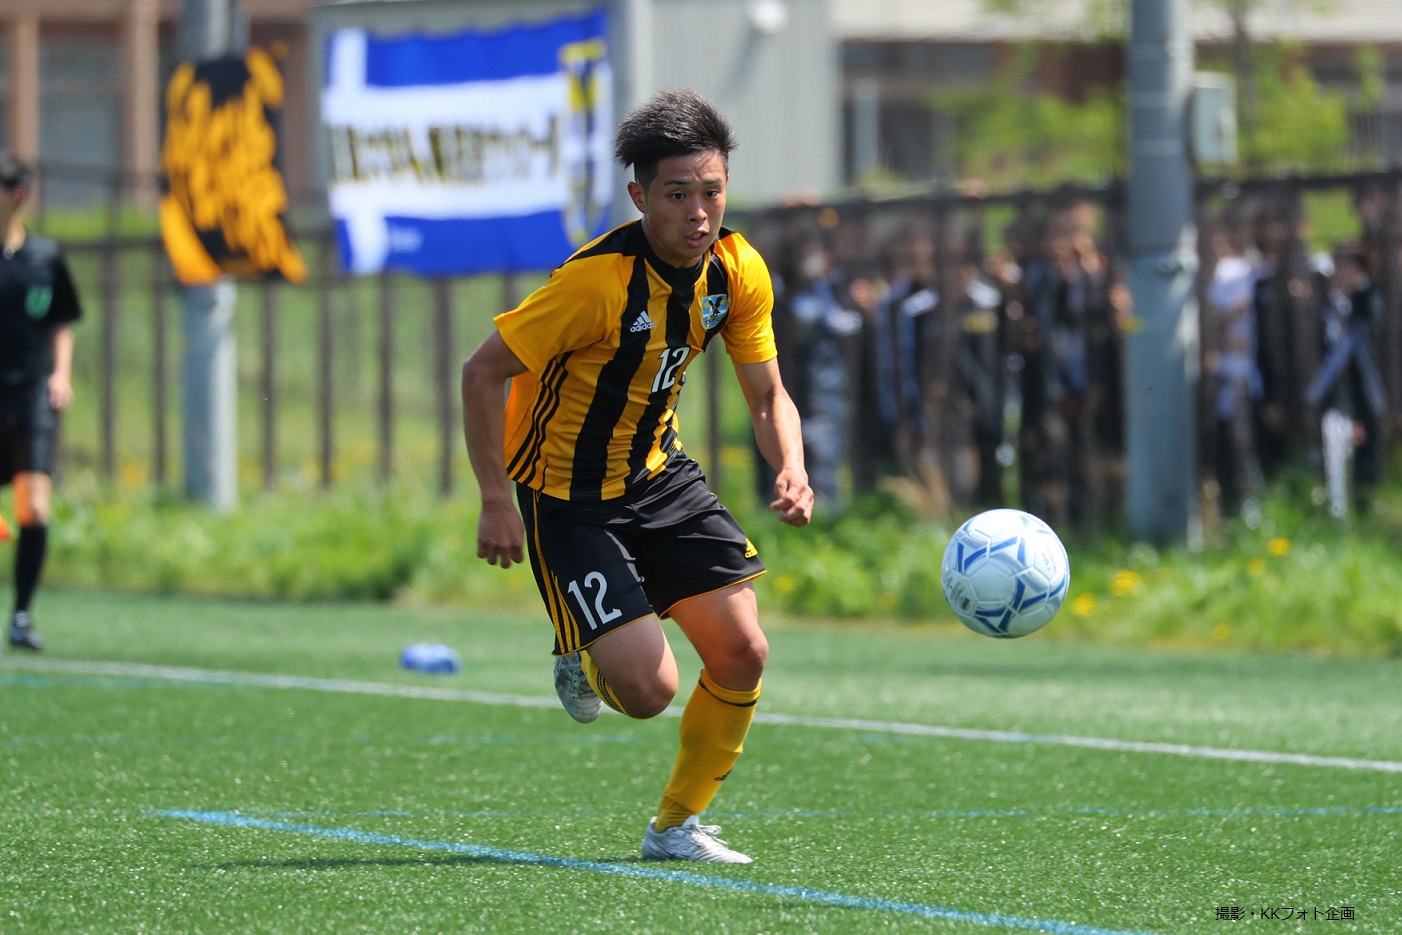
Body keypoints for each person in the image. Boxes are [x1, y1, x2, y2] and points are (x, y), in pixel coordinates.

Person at [459, 89, 813, 864]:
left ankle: (675, 827)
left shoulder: (736, 270)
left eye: (711, 192)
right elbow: (481, 374)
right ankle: (580, 644)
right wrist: (495, 499)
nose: (698, 213)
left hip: (659, 474)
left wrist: (791, 464)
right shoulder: (593, 285)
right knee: (649, 691)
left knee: (744, 651)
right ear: (639, 197)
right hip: (567, 495)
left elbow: (768, 394)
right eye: (677, 195)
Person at [0, 152, 81, 652]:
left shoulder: (45, 258)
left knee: (33, 504)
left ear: (18, 196)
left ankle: (22, 615)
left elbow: (61, 321)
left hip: (31, 394)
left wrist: (62, 375)